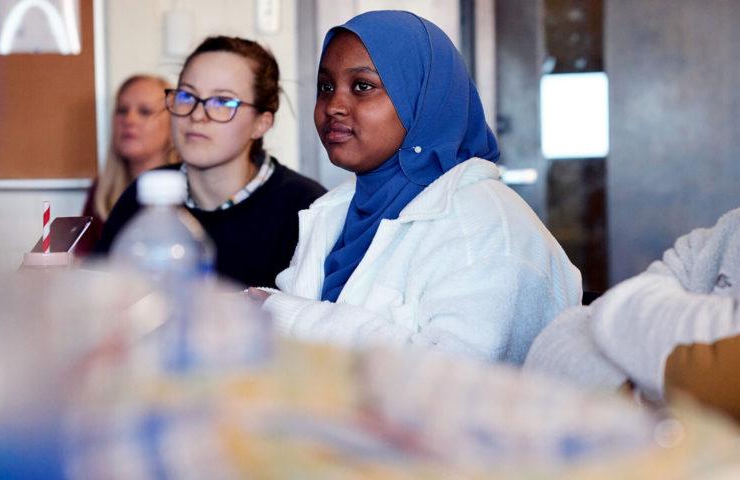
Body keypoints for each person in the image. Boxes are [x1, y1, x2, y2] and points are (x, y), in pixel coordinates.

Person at [247, 11, 582, 364]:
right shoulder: (335, 211)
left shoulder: (485, 226)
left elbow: (454, 382)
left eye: (362, 86)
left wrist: (287, 317)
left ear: (423, 97)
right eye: (326, 87)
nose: (334, 106)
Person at [93, 36, 326, 287]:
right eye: (186, 96)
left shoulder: (304, 207)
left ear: (261, 123)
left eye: (222, 102)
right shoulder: (144, 195)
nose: (197, 115)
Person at [524, 206, 740, 427]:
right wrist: (661, 401)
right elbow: (552, 349)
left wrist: (622, 315)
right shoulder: (729, 232)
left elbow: (716, 374)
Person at [77, 74, 177, 255]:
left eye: (145, 111)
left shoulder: (189, 188)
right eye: (122, 110)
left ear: (173, 125)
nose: (129, 120)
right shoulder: (101, 191)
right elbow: (84, 264)